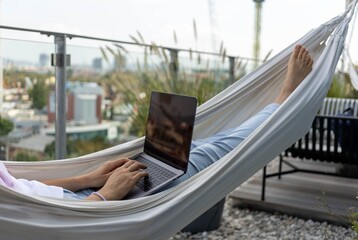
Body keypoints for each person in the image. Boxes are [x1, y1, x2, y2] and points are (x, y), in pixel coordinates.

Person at [0, 44, 313, 201]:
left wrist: (89, 178)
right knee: (204, 157)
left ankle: (276, 108)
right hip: (83, 211)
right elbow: (38, 224)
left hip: (79, 198)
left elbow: (17, 189)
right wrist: (104, 197)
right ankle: (282, 102)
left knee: (189, 150)